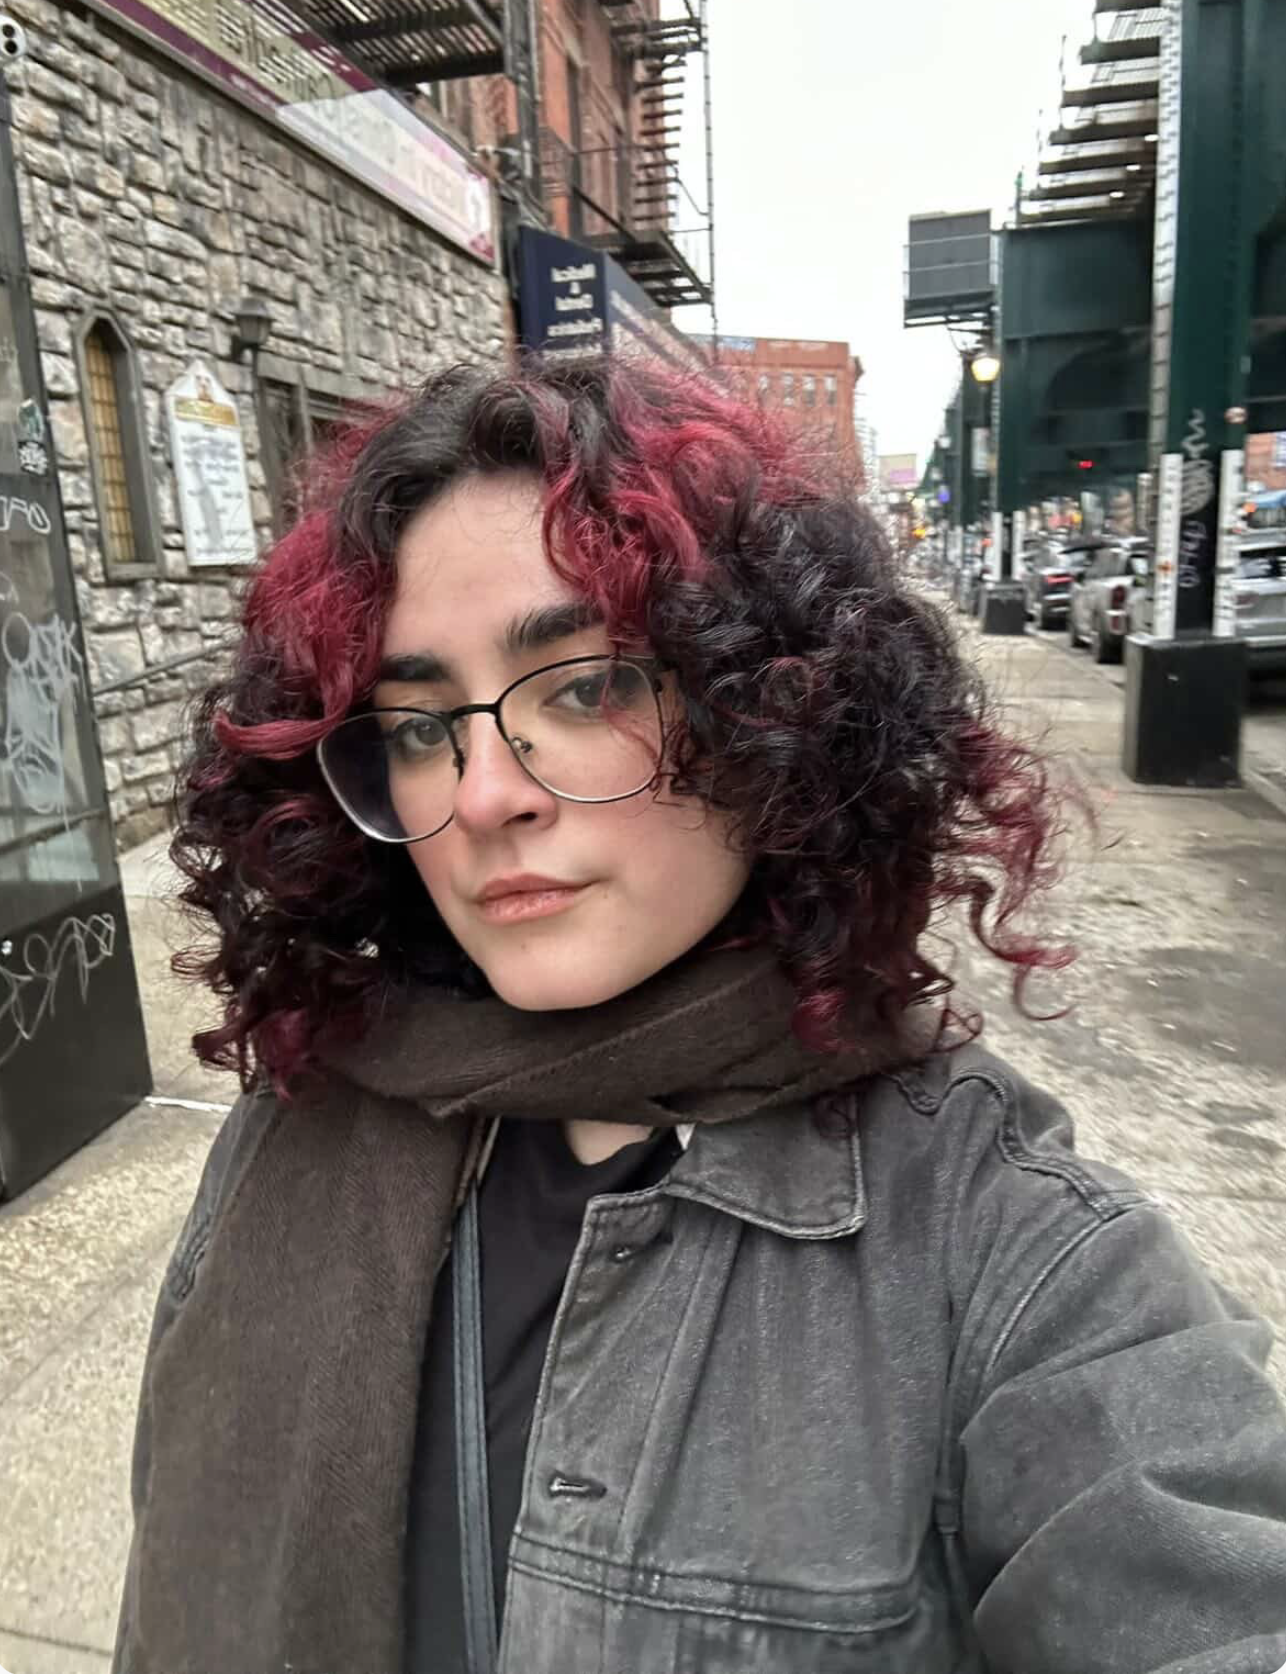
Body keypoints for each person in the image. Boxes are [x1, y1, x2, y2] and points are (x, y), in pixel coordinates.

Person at [112, 357, 1286, 1674]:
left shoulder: (1005, 1257)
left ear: (764, 710)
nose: (485, 791)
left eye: (582, 688)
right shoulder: (308, 1112)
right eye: (420, 723)